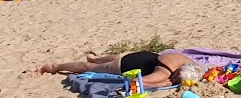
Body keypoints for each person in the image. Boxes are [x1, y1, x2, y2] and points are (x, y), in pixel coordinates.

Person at [38, 51, 198, 89]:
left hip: (142, 55)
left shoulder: (188, 62)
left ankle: (96, 57)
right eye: (178, 78)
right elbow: (137, 82)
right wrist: (164, 83)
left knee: (116, 57)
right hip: (127, 66)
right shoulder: (164, 72)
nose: (176, 81)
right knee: (89, 68)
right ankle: (55, 66)